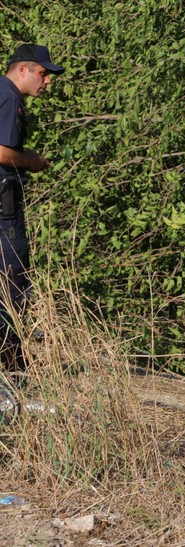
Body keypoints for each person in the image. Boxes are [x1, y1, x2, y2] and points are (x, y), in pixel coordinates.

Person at [0, 44, 64, 371]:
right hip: (4, 214)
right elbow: (0, 152)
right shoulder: (10, 98)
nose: (47, 81)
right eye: (43, 73)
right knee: (13, 286)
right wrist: (32, 162)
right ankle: (13, 372)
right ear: (22, 69)